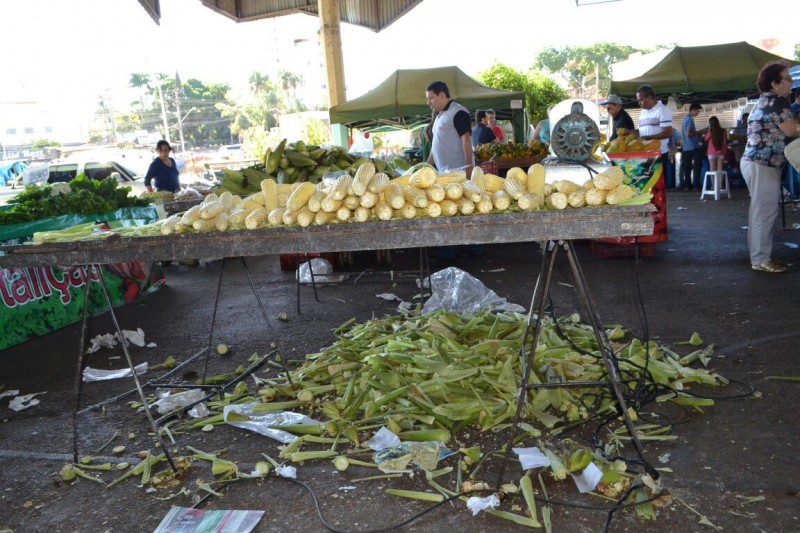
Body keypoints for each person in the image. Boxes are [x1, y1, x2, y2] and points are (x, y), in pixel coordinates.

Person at [741, 62, 800, 273]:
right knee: (764, 212)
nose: (791, 83)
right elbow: (792, 131)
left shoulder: (766, 100)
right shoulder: (777, 101)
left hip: (757, 162)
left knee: (761, 211)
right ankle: (760, 259)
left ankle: (759, 257)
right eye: (787, 79)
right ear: (774, 83)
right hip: (763, 164)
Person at [425, 81, 473, 172]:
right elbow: (435, 147)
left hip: (459, 173)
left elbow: (466, 140)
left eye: (431, 98)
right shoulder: (439, 116)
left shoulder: (458, 112)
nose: (428, 102)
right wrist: (424, 166)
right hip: (445, 174)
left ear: (442, 95)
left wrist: (469, 169)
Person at [635, 85, 674, 188]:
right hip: (644, 155)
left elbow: (668, 133)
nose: (639, 103)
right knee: (645, 187)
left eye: (641, 100)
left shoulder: (662, 110)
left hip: (658, 156)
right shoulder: (643, 112)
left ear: (650, 97)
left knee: (657, 187)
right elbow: (642, 133)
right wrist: (628, 132)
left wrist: (647, 138)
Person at [680, 103, 704, 190]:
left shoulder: (686, 118)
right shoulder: (689, 119)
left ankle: (687, 185)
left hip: (686, 147)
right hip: (693, 146)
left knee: (687, 167)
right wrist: (700, 132)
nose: (698, 113)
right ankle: (696, 185)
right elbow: (689, 133)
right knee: (698, 164)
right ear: (693, 110)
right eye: (697, 111)